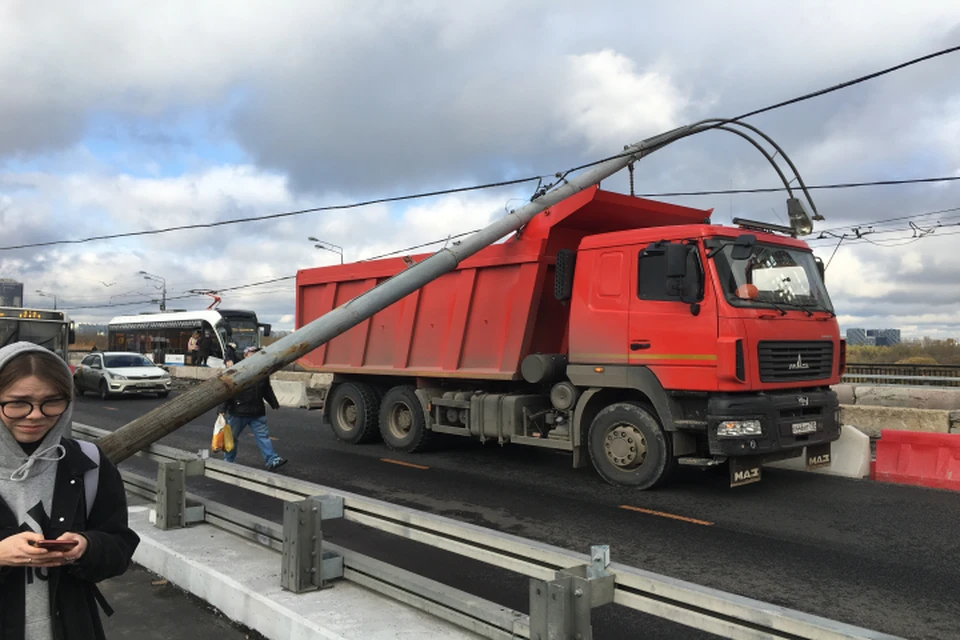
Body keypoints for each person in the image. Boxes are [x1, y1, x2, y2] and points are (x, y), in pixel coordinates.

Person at [0, 342, 140, 640]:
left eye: (52, 401)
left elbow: (120, 546)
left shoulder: (88, 462)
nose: (35, 415)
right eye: (17, 402)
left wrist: (87, 547)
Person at [218, 347, 287, 471]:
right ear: (245, 355)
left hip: (256, 411)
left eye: (257, 353)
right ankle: (229, 460)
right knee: (231, 438)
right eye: (252, 353)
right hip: (238, 412)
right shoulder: (236, 370)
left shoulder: (262, 370)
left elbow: (266, 389)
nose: (255, 356)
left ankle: (272, 459)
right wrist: (222, 409)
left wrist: (274, 403)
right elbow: (228, 391)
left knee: (263, 437)